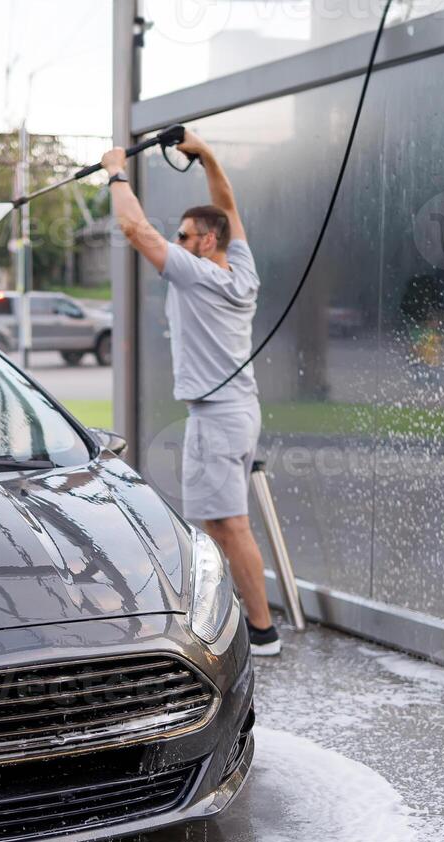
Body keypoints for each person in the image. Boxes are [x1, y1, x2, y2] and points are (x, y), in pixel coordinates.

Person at [101, 131, 280, 656]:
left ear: (205, 241)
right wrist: (206, 155)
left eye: (183, 234)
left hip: (218, 418)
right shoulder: (240, 270)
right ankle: (247, 619)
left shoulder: (196, 274)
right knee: (220, 520)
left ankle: (262, 632)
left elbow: (133, 227)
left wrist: (116, 171)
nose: (175, 242)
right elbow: (228, 207)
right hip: (239, 412)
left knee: (229, 524)